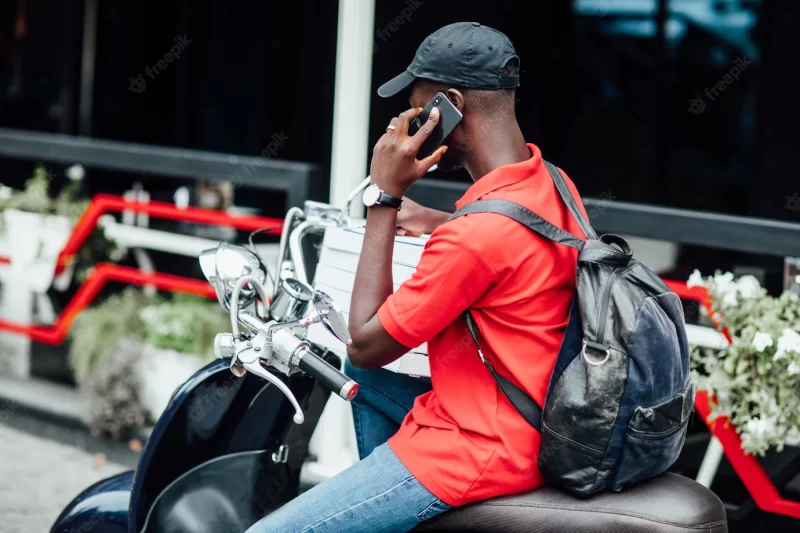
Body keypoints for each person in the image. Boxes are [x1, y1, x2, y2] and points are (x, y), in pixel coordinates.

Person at [246, 21, 590, 533]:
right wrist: (438, 220)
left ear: (449, 106)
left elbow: (364, 340)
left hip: (477, 447)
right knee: (363, 378)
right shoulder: (554, 185)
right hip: (537, 419)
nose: (406, 121)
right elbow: (513, 244)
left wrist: (382, 199)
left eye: (417, 107)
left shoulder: (475, 236)